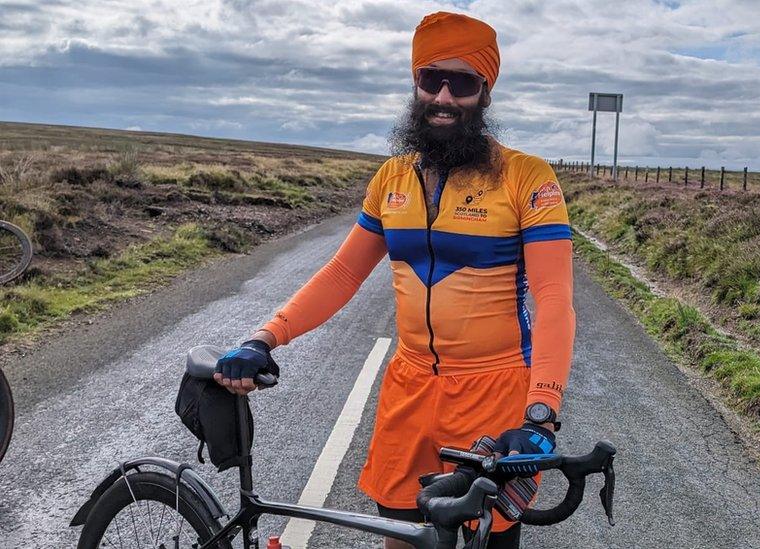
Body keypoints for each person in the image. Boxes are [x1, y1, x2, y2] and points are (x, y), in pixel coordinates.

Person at [213, 11, 575, 549]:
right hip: (407, 390)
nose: (445, 97)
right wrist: (266, 337)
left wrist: (541, 413)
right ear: (416, 85)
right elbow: (342, 273)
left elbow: (554, 296)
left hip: (492, 393)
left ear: (486, 95)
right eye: (433, 79)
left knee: (483, 542)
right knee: (403, 538)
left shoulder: (525, 177)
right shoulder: (391, 178)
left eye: (465, 83)